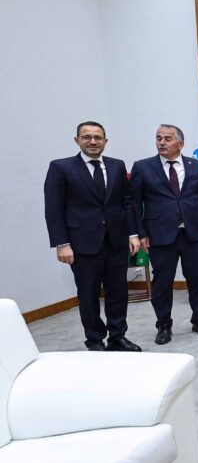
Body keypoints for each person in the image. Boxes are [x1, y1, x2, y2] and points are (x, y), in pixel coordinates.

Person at [43, 121, 141, 351]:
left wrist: (133, 233)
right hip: (82, 244)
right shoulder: (61, 167)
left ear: (105, 141)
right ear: (76, 140)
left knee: (118, 292)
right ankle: (95, 340)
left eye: (98, 137)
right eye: (87, 137)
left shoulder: (117, 165)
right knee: (88, 294)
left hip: (116, 241)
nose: (93, 141)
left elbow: (126, 203)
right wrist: (62, 243)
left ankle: (117, 336)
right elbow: (53, 208)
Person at [129, 124, 198, 345]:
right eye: (159, 138)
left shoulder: (197, 166)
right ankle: (164, 325)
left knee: (196, 280)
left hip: (193, 233)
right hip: (159, 235)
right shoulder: (142, 167)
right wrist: (140, 233)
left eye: (168, 138)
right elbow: (134, 204)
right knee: (162, 283)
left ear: (180, 143)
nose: (162, 142)